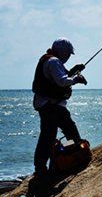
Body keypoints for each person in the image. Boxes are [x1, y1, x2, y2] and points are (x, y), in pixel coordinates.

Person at [31, 38, 87, 176]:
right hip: (51, 105)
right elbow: (62, 81)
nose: (68, 56)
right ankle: (78, 153)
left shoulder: (49, 60)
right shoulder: (54, 61)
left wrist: (73, 71)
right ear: (63, 51)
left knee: (48, 136)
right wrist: (76, 79)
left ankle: (44, 166)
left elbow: (58, 78)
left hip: (46, 105)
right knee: (68, 129)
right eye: (68, 53)